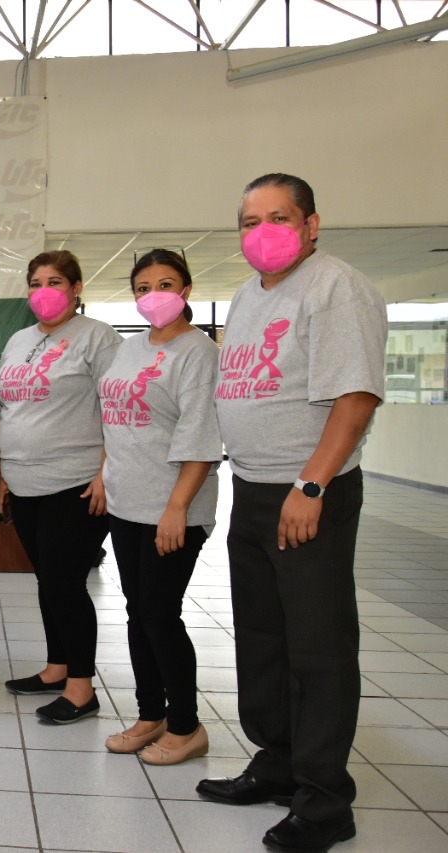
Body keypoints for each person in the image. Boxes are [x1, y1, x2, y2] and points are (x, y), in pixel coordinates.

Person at [199, 174, 386, 853]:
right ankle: (277, 760)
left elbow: (356, 396)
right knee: (263, 638)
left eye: (278, 217)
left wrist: (311, 485)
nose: (262, 232)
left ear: (311, 224)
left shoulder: (336, 287)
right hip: (253, 488)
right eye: (250, 221)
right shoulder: (249, 295)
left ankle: (325, 800)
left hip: (308, 491)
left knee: (317, 647)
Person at [98, 249, 220, 763]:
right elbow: (112, 418)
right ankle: (151, 715)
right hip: (126, 503)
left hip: (173, 509)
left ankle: (187, 726)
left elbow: (202, 437)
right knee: (137, 612)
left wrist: (177, 508)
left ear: (186, 290)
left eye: (165, 285)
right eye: (143, 288)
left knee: (159, 614)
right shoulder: (129, 348)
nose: (153, 296)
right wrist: (103, 474)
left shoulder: (199, 352)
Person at [0, 250, 121, 722]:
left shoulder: (98, 338)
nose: (44, 291)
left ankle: (82, 689)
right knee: (48, 580)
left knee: (65, 583)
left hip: (77, 483)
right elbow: (3, 410)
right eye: (36, 283)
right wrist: (3, 474)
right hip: (24, 483)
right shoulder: (19, 340)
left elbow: (119, 409)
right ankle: (56, 668)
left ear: (76, 288)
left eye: (55, 282)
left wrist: (106, 473)